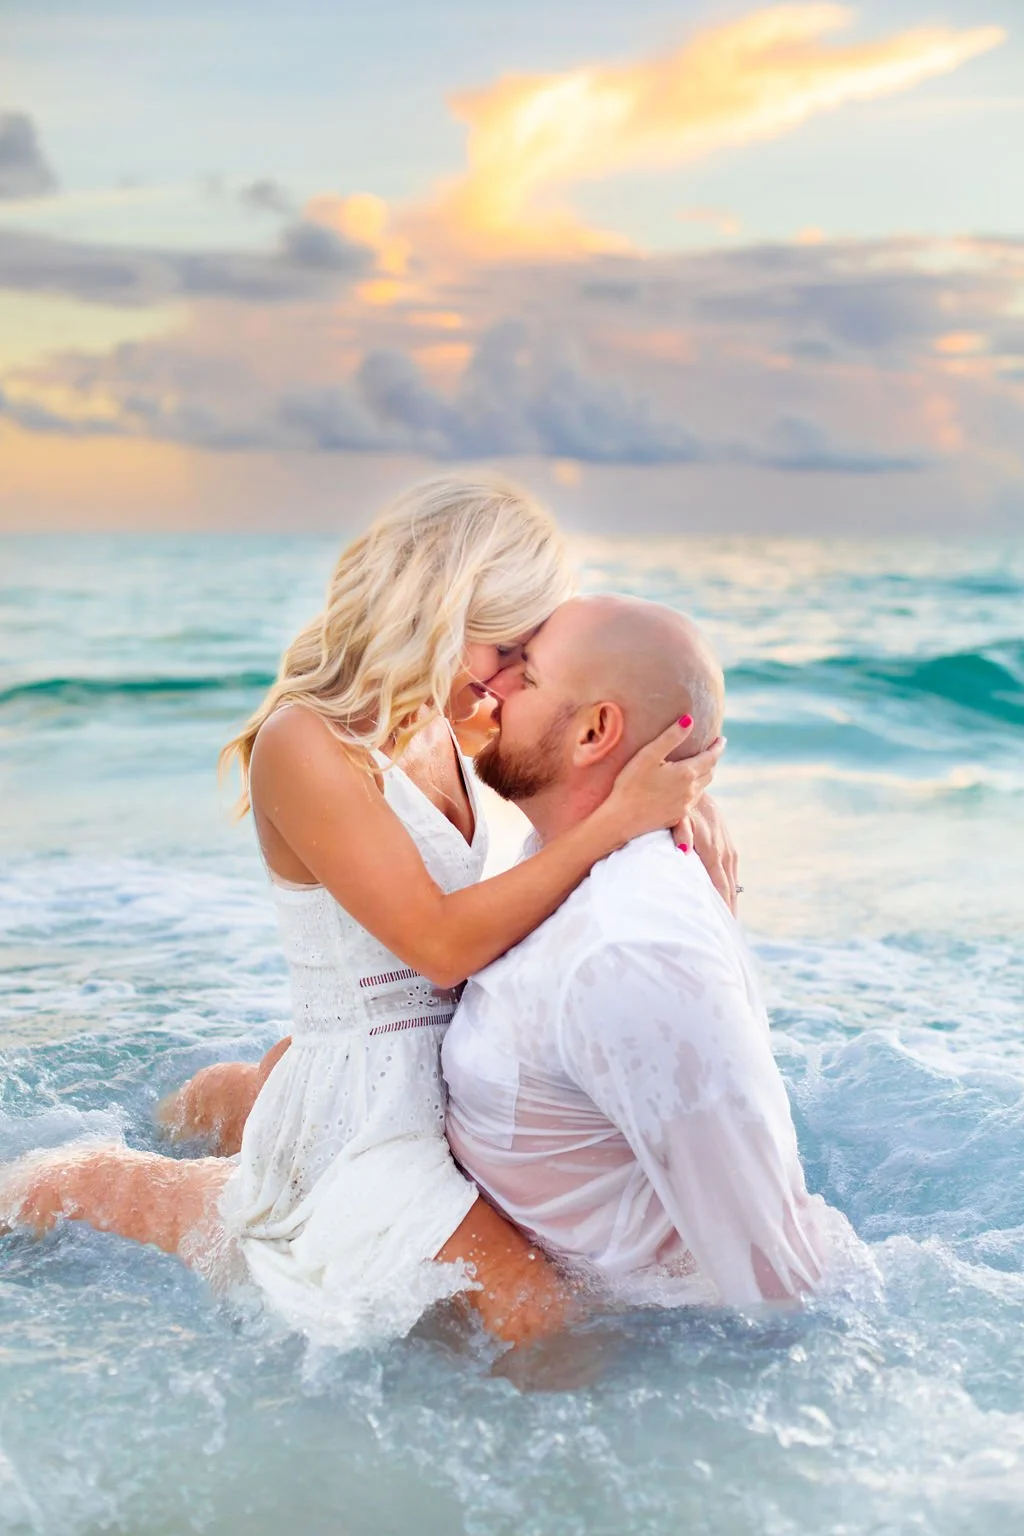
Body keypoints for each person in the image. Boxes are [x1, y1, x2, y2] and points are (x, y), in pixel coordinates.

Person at [1, 476, 726, 1350]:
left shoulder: (451, 725)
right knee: (538, 1313)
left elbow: (568, 762)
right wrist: (619, 820)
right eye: (504, 651)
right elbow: (438, 945)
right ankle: (84, 1174)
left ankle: (241, 1103)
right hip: (371, 1110)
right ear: (438, 615)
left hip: (453, 1076)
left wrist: (675, 797)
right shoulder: (304, 744)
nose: (506, 687)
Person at [443, 594, 843, 1306]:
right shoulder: (566, 869)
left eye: (525, 676)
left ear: (596, 732)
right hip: (486, 1267)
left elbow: (780, 1279)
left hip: (578, 1344)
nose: (491, 689)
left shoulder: (627, 954)